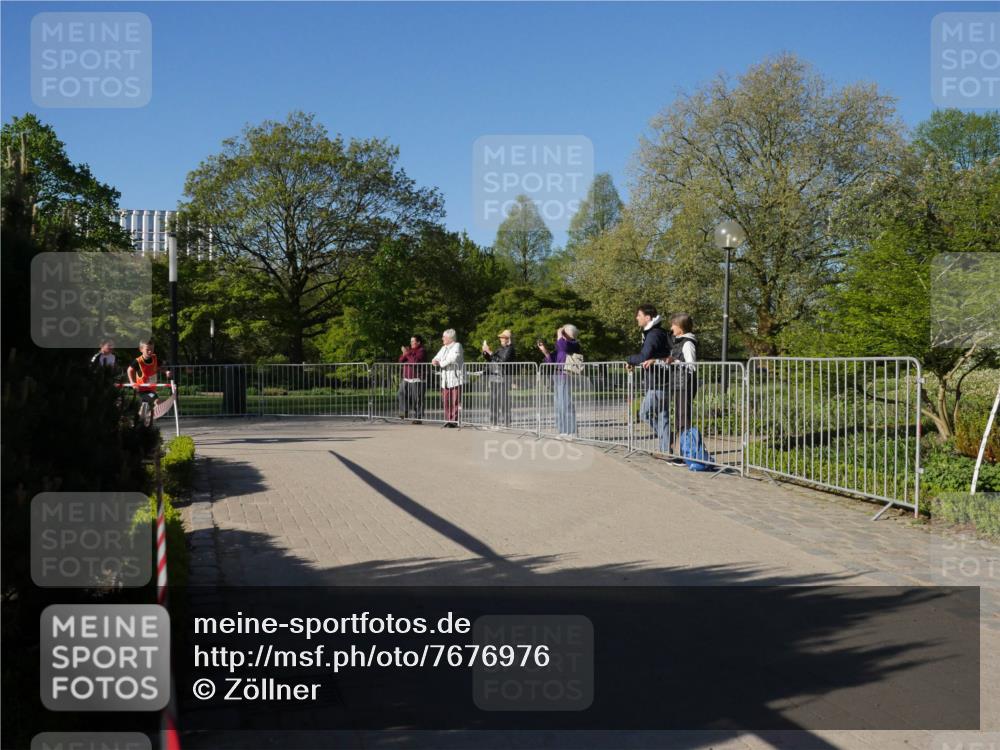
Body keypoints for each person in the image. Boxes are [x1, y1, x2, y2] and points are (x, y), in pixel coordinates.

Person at [627, 304, 674, 453]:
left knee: (644, 413)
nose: (637, 318)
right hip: (663, 380)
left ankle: (666, 439)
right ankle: (665, 450)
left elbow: (644, 356)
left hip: (658, 382)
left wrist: (628, 359)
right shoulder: (658, 332)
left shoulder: (653, 334)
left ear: (647, 318)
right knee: (662, 416)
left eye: (639, 316)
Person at [538, 324, 581, 438]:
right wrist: (545, 352)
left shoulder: (573, 344)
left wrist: (559, 334)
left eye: (563, 332)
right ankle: (562, 431)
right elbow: (552, 360)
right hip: (557, 376)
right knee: (559, 404)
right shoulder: (562, 346)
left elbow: (563, 346)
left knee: (566, 404)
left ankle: (572, 432)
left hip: (566, 375)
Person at [127, 340, 171, 419]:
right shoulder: (138, 361)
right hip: (142, 389)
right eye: (148, 350)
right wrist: (132, 382)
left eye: (152, 349)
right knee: (157, 401)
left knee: (144, 408)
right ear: (141, 349)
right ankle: (150, 417)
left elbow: (161, 367)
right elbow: (129, 370)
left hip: (151, 388)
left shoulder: (155, 358)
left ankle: (141, 421)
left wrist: (166, 371)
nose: (150, 352)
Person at [482, 330, 516, 428]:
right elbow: (492, 359)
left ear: (508, 339)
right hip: (495, 376)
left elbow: (502, 361)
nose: (501, 339)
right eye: (501, 337)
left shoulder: (510, 349)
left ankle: (506, 422)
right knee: (493, 400)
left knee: (503, 400)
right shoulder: (500, 348)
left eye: (503, 337)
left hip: (504, 377)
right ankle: (493, 422)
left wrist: (490, 352)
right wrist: (485, 353)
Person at [432, 329, 464, 427]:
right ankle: (447, 420)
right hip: (445, 379)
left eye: (444, 337)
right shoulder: (444, 347)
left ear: (450, 338)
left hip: (455, 378)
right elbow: (437, 357)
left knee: (455, 401)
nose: (442, 339)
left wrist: (441, 363)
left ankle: (454, 421)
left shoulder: (457, 345)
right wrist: (434, 360)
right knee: (446, 400)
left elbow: (453, 358)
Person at [398, 335, 426, 423]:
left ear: (418, 342)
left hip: (417, 379)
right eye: (410, 341)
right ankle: (404, 412)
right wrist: (404, 354)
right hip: (406, 378)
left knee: (416, 399)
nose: (411, 343)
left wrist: (408, 354)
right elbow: (401, 360)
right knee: (401, 394)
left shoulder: (421, 351)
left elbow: (415, 362)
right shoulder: (409, 351)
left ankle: (418, 418)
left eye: (413, 341)